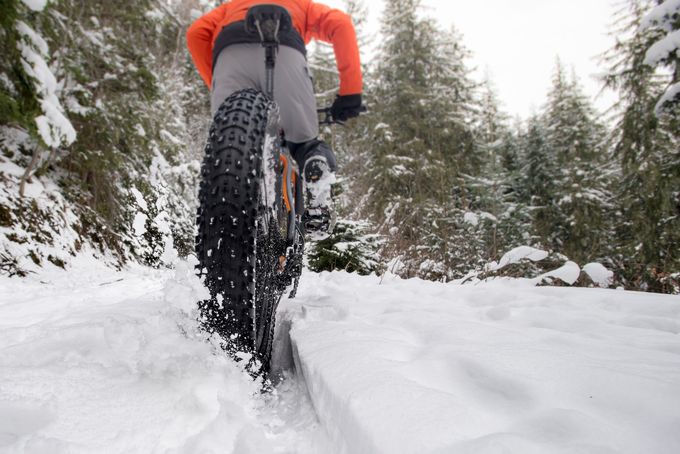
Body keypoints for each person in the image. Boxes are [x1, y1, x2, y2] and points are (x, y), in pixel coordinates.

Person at [186, 0, 364, 239]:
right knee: (305, 143)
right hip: (285, 51)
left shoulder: (231, 6)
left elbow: (196, 33)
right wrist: (350, 93)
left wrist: (216, 83)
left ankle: (226, 214)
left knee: (229, 145)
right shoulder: (302, 5)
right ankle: (315, 165)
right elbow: (341, 23)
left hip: (230, 57)